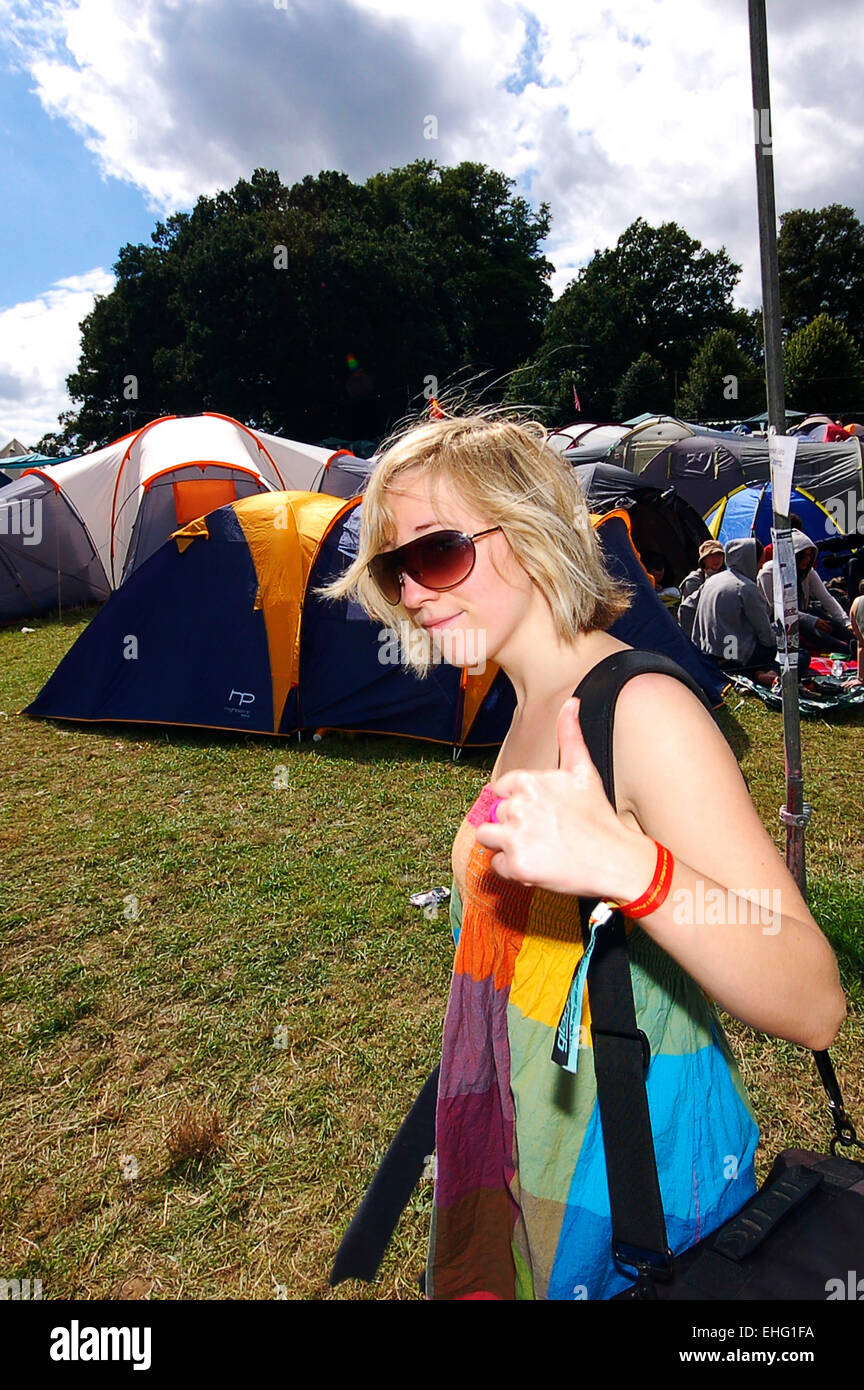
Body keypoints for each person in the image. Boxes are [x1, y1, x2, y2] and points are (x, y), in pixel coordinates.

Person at [323, 412, 845, 1301]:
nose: (412, 592)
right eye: (392, 566)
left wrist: (635, 873)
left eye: (437, 552)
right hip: (534, 1141)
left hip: (633, 1189)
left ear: (530, 534)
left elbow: (814, 1001)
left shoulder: (641, 712)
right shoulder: (529, 703)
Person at [691, 537, 781, 685]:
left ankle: (757, 672)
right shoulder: (746, 587)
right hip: (731, 655)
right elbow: (766, 636)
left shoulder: (713, 579)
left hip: (707, 653)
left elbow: (686, 607)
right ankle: (760, 671)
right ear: (750, 560)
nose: (760, 567)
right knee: (795, 655)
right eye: (760, 562)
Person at [757, 530, 854, 657]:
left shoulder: (808, 572)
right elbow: (776, 608)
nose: (807, 560)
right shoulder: (768, 573)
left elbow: (826, 598)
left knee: (823, 617)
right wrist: (811, 620)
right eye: (803, 556)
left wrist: (847, 623)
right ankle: (848, 651)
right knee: (811, 626)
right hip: (777, 621)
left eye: (810, 556)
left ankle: (855, 641)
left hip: (802, 613)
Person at [677, 539, 724, 640]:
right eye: (712, 556)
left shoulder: (725, 577)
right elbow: (688, 612)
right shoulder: (693, 581)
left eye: (719, 555)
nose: (717, 559)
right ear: (704, 560)